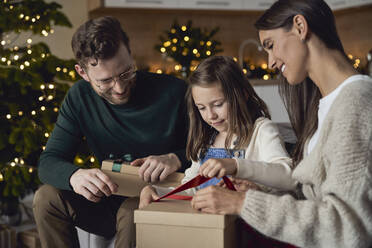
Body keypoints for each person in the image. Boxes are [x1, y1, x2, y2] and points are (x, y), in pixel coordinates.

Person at [190, 0, 372, 247]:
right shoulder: (325, 104)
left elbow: (347, 227)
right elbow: (316, 196)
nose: (271, 62)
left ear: (299, 26)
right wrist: (257, 193)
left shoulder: (356, 102)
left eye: (270, 45)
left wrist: (241, 203)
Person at [33, 16, 189, 248]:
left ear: (130, 54)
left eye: (126, 72)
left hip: (160, 197)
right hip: (107, 200)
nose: (120, 88)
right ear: (83, 73)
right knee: (46, 197)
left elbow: (215, 151)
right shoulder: (79, 97)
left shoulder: (175, 92)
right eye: (105, 81)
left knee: (132, 209)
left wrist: (176, 157)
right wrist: (75, 176)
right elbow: (48, 162)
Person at [139, 55, 295, 209]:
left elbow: (288, 177)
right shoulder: (206, 140)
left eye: (218, 104)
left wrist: (235, 165)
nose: (210, 115)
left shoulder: (262, 131)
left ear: (242, 94)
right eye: (202, 108)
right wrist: (157, 191)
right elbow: (191, 189)